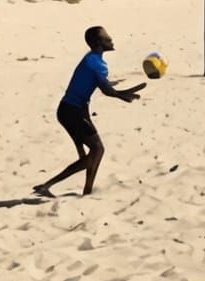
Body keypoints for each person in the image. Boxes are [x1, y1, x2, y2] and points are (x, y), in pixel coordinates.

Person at [34, 27, 143, 196]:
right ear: (99, 43)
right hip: (72, 113)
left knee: (92, 154)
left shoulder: (91, 59)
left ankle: (86, 191)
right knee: (97, 151)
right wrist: (123, 95)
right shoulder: (96, 64)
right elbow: (106, 91)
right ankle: (48, 185)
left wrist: (114, 88)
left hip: (71, 111)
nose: (111, 40)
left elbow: (98, 85)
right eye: (107, 38)